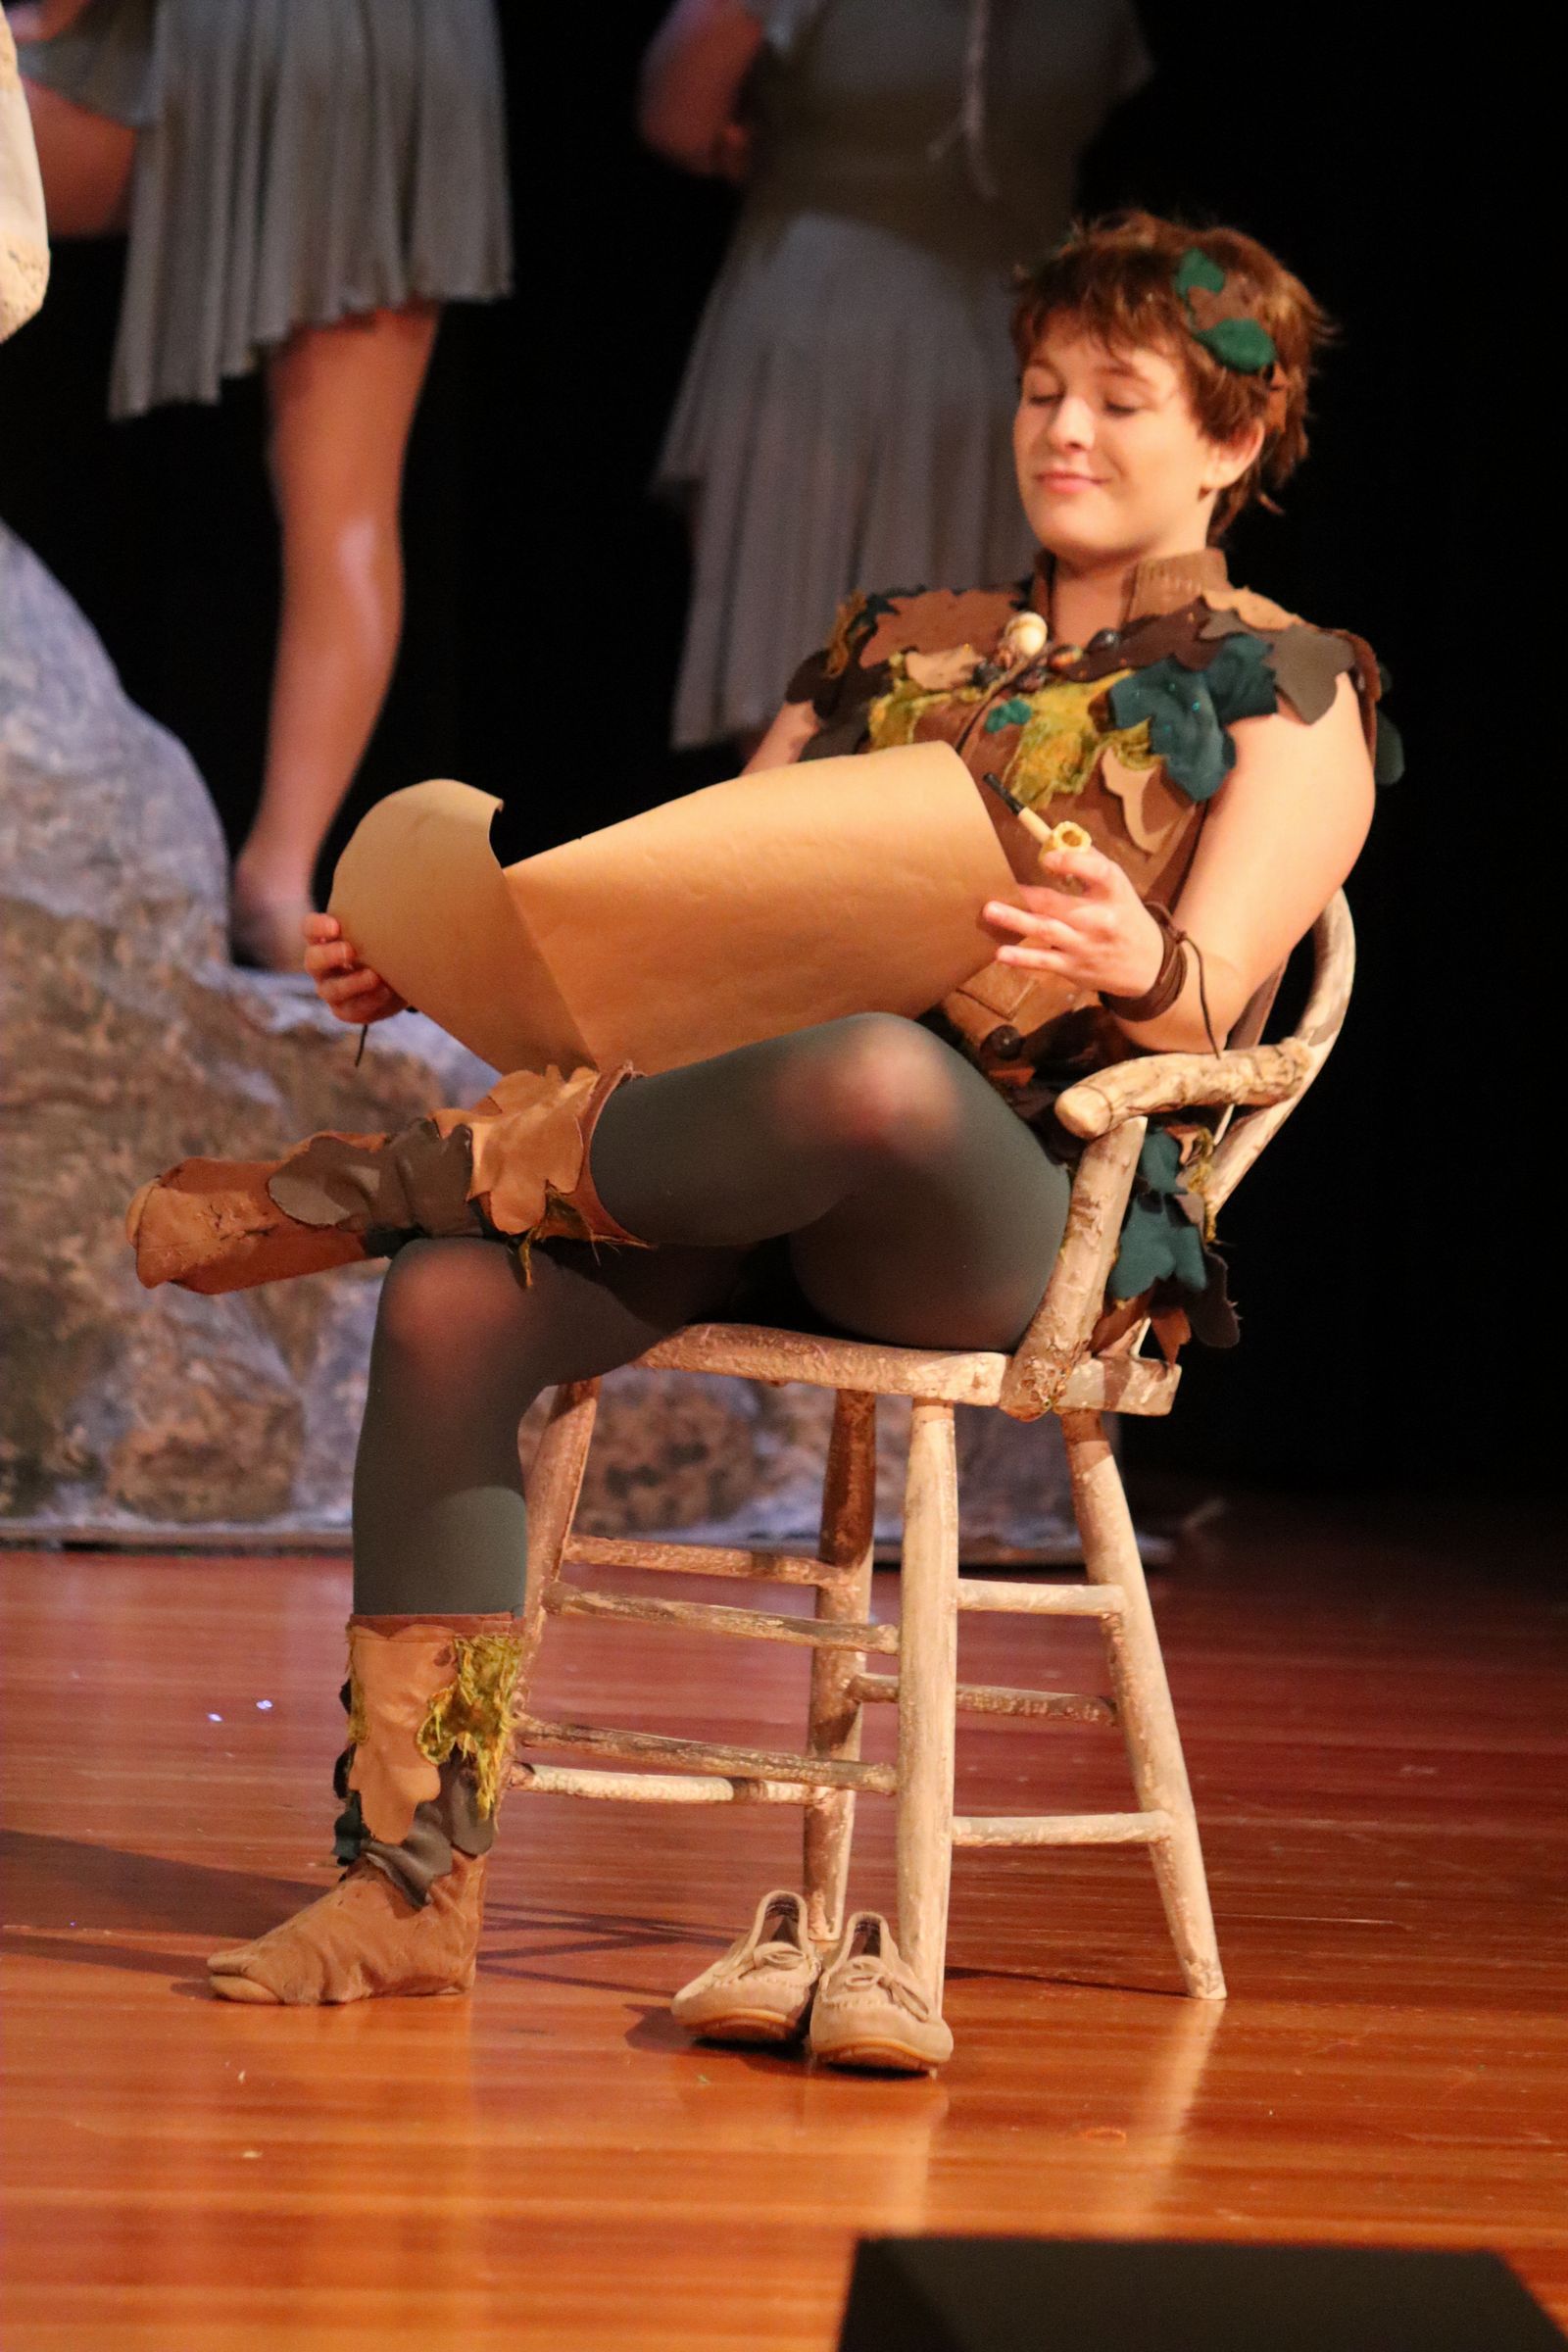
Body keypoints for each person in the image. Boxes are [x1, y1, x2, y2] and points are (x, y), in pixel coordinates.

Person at [126, 212, 1393, 2069]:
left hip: (996, 1209)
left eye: (1122, 399)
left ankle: (397, 1185)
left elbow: (1212, 1019)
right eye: (1043, 389)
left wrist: (1136, 961)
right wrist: (442, 960)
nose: (1063, 429)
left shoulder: (1286, 682)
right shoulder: (891, 644)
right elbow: (687, 935)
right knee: (456, 1310)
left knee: (871, 1072)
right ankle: (406, 1887)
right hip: (727, 1159)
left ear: (1235, 435)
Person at [9, 0, 511, 969]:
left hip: (252, 30)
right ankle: (279, 887)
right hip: (409, 47)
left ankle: (277, 889)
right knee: (350, 508)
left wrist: (46, 18)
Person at [640, 0, 1150, 754]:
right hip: (828, 346)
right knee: (802, 690)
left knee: (999, 696)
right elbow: (680, 116)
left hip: (1023, 358)